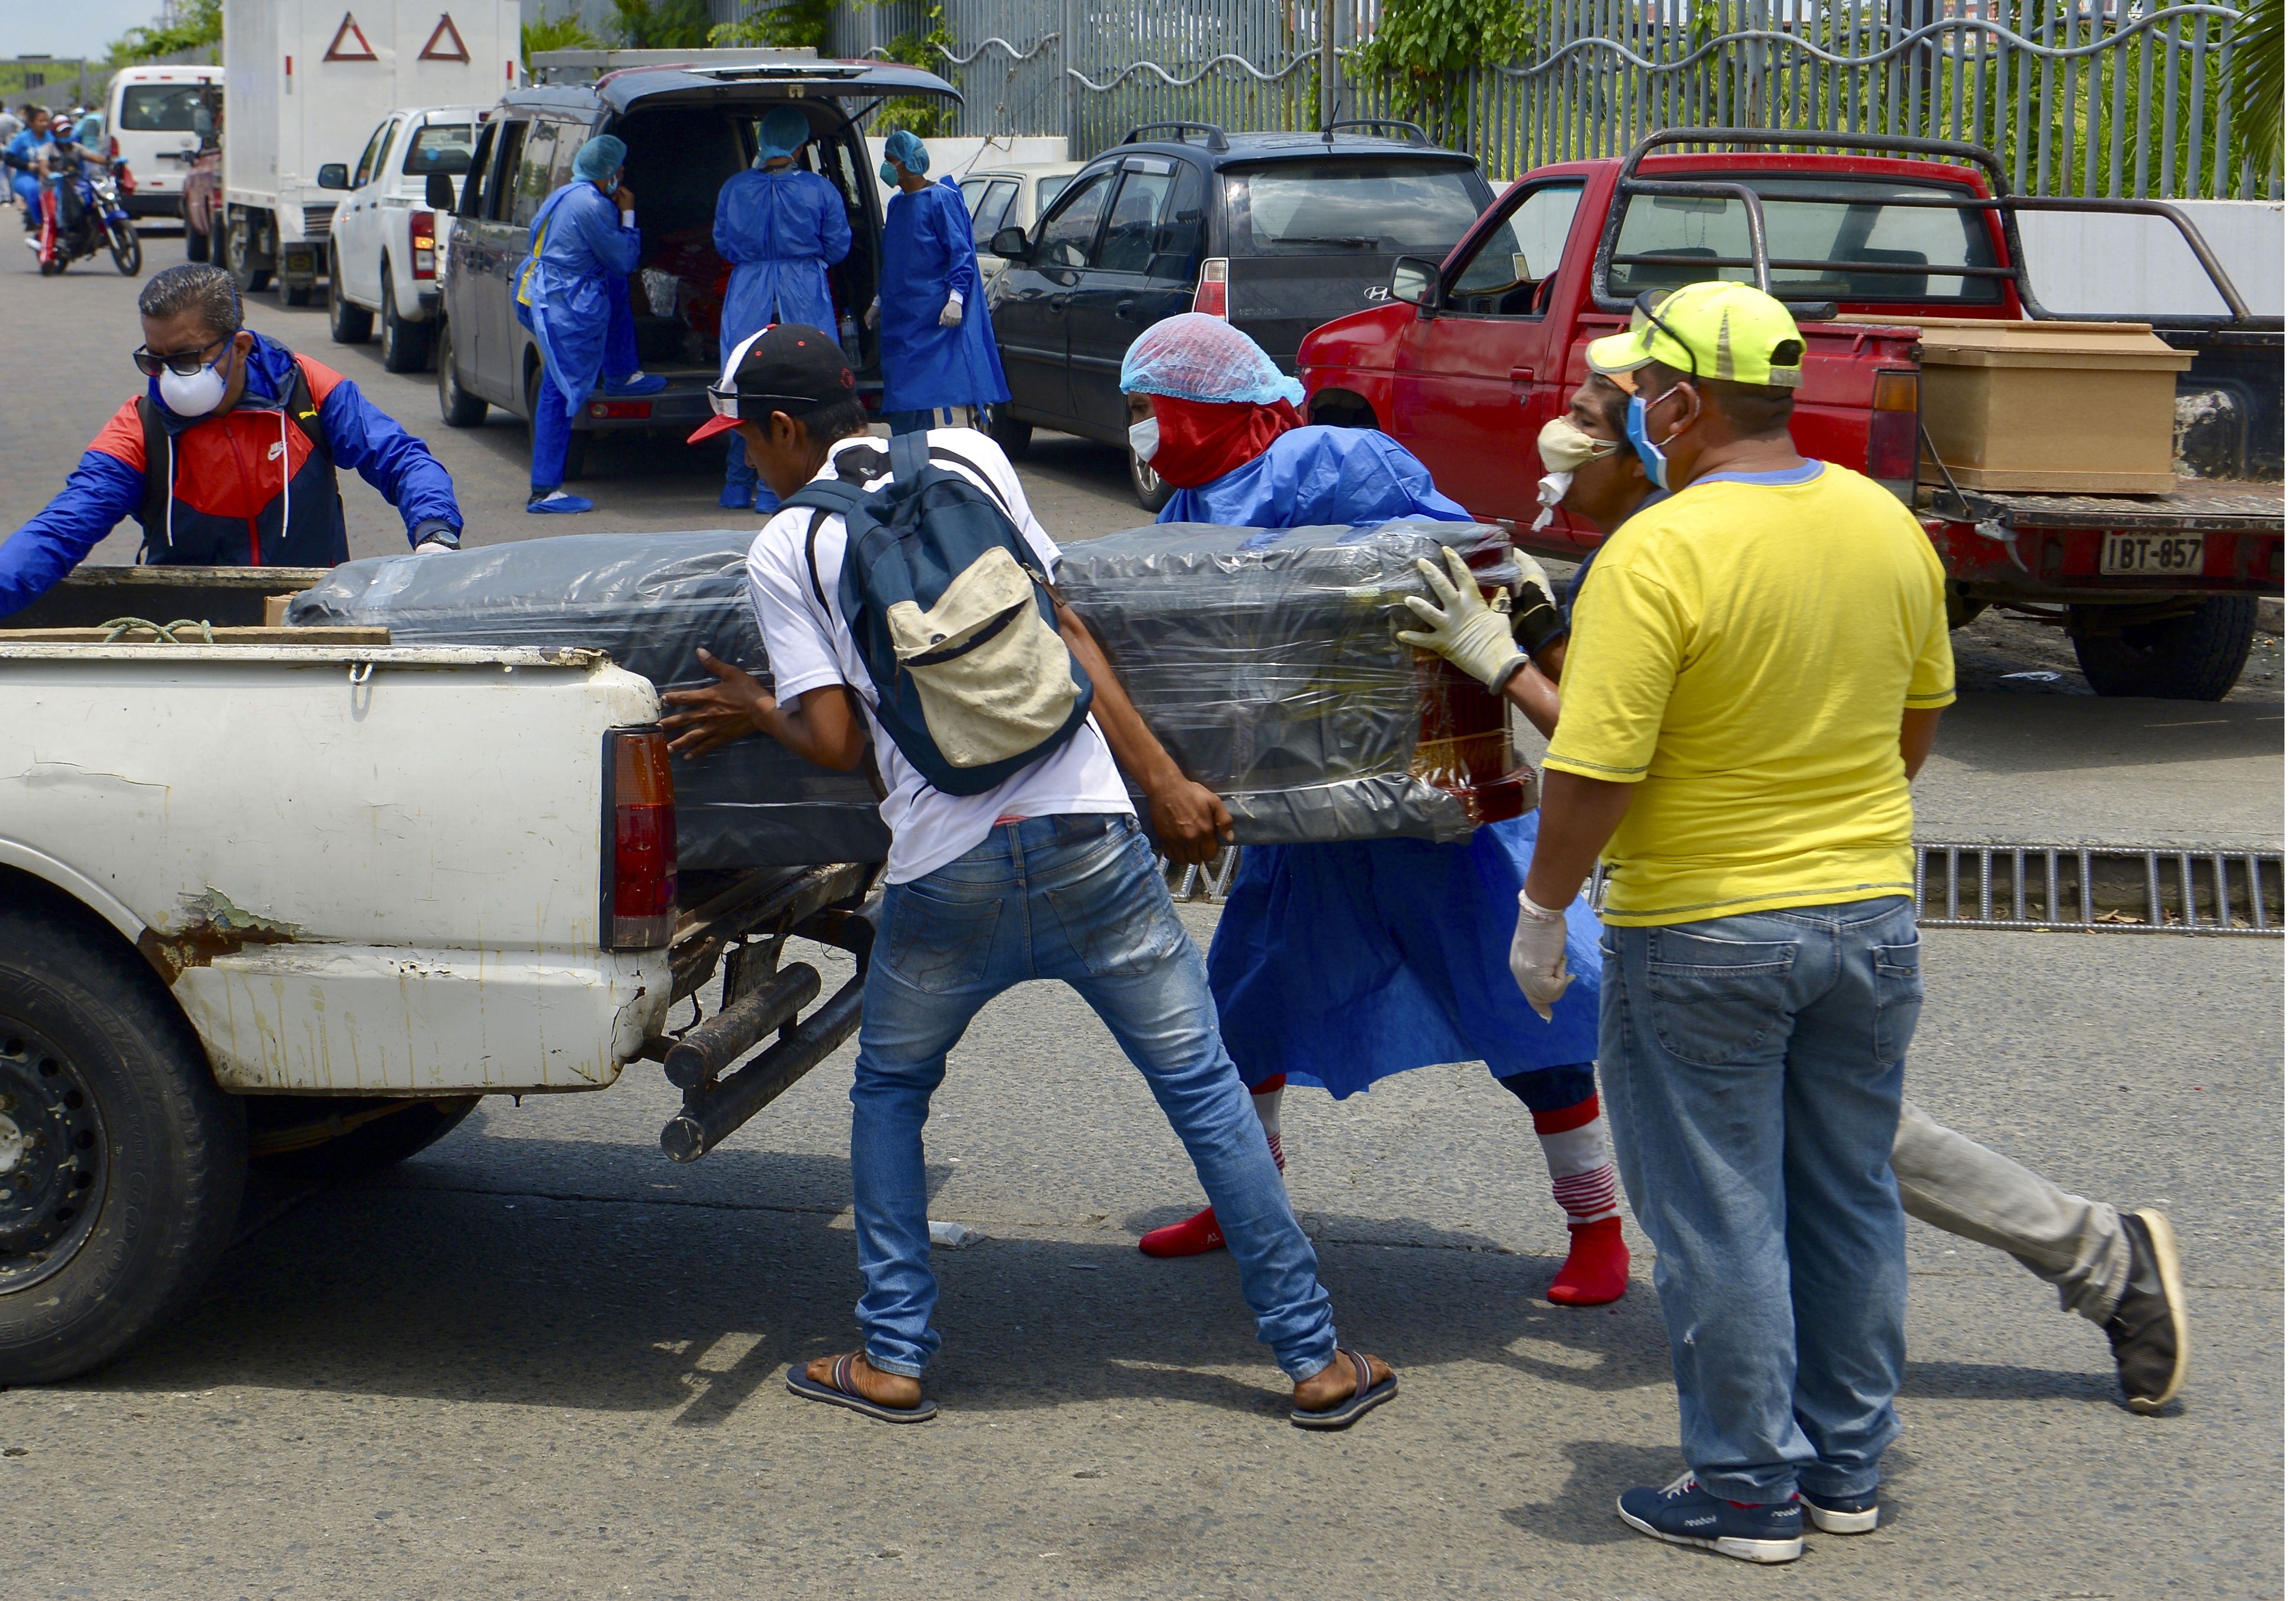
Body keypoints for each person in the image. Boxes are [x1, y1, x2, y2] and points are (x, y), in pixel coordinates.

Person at [1405, 373, 2190, 1417]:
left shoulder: (1667, 547)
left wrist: (1501, 669)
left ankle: (1756, 1460)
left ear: (1658, 432)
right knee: (1849, 1150)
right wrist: (1538, 646)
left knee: (1774, 1179)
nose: (1560, 439)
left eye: (1590, 423)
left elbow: (1610, 755)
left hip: (1719, 908)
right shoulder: (1769, 521)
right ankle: (2065, 1279)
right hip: (1834, 900)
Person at [657, 324, 1398, 1430]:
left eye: (743, 441)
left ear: (780, 427)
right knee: (1201, 1091)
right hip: (1090, 837)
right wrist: (1162, 784)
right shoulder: (970, 456)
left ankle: (893, 1354)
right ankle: (1314, 1358)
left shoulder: (785, 547)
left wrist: (754, 710)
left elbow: (833, 743)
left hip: (944, 868)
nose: (744, 463)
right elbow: (1065, 628)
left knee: (892, 1096)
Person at [1504, 282, 1946, 1562]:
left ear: (1685, 404)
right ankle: (1847, 1471)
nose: (1623, 414)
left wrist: (1542, 913)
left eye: (1637, 392)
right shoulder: (1885, 524)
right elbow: (1910, 736)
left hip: (1702, 930)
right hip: (1869, 920)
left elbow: (1598, 767)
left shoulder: (1661, 549)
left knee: (1719, 1214)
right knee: (1849, 1196)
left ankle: (1749, 1489)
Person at [1110, 313, 1633, 1309]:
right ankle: (1243, 1197)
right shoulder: (1189, 497)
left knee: (1521, 1009)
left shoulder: (1325, 456)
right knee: (1245, 1003)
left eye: (1151, 408)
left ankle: (1595, 1224)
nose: (1142, 430)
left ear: (1207, 402)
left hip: (1415, 789)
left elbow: (1456, 546)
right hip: (1297, 808)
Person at [0, 265, 462, 632]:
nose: (167, 376)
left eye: (184, 358)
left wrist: (434, 537)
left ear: (240, 347)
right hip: (186, 633)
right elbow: (61, 527)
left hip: (311, 620)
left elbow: (403, 459)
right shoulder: (141, 428)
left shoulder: (307, 391)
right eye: (153, 360)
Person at [511, 134, 665, 516]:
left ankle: (622, 374)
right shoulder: (594, 205)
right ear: (611, 172)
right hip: (564, 301)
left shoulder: (565, 194)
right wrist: (628, 215)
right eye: (620, 168)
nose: (623, 174)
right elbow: (623, 259)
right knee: (557, 388)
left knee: (610, 292)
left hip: (543, 290)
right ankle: (544, 490)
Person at [710, 107, 850, 514]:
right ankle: (778, 489)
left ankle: (736, 486)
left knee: (743, 385)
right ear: (800, 145)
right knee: (802, 387)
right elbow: (838, 245)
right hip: (803, 288)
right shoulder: (820, 190)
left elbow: (722, 241)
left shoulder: (735, 188)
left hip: (748, 290)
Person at [871, 129, 1008, 436]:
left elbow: (961, 253)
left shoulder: (941, 200)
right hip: (900, 318)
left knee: (921, 393)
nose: (887, 167)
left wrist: (956, 298)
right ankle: (911, 459)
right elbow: (894, 260)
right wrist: (879, 302)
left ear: (907, 163)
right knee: (903, 396)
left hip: (931, 315)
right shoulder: (896, 206)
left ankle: (921, 458)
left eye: (891, 160)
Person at [5, 107, 53, 233]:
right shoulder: (23, 138)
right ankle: (40, 224)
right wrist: (29, 166)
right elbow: (8, 159)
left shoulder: (52, 138)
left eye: (46, 121)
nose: (44, 124)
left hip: (49, 176)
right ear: (32, 123)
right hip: (26, 176)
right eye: (40, 121)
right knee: (33, 190)